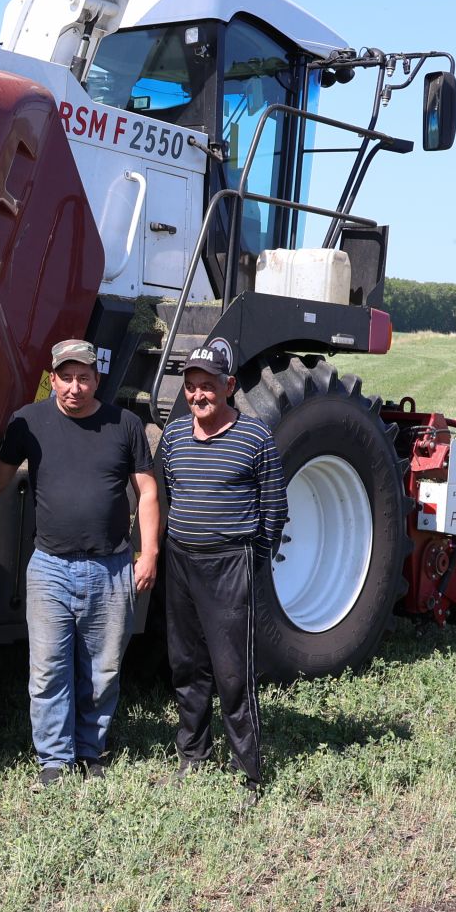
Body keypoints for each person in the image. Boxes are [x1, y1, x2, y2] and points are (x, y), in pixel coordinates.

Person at [0, 339, 159, 787]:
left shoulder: (125, 424)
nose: (75, 387)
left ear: (96, 379)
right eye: (67, 377)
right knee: (48, 667)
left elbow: (148, 492)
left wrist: (150, 553)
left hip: (112, 566)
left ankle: (91, 750)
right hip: (50, 567)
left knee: (102, 669)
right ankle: (54, 760)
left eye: (84, 377)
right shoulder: (29, 421)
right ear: (54, 377)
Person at [157, 344, 286, 804]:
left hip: (232, 564)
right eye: (191, 387)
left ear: (228, 386)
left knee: (233, 673)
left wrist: (252, 561)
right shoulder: (172, 437)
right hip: (181, 561)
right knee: (186, 665)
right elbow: (171, 492)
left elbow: (274, 510)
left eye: (207, 385)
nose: (198, 395)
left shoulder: (255, 439)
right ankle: (192, 755)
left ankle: (248, 770)